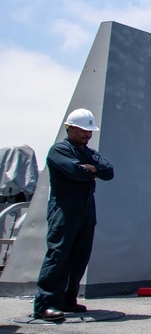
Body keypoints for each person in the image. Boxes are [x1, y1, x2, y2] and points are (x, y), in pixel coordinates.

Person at [32, 108, 114, 321]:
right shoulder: (59, 150)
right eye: (83, 131)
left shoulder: (89, 153)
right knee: (59, 254)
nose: (88, 135)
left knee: (80, 255)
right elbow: (76, 172)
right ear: (70, 128)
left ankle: (69, 299)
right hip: (64, 209)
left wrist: (91, 168)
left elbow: (109, 171)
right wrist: (91, 170)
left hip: (86, 209)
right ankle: (45, 303)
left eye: (90, 131)